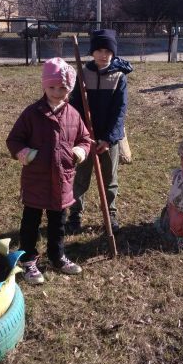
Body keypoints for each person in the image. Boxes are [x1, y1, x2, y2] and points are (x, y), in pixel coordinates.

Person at [6, 57, 91, 285]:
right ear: (44, 86)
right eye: (52, 87)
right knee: (31, 221)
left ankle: (57, 255)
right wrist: (26, 154)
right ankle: (28, 259)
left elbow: (85, 139)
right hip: (36, 178)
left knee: (58, 222)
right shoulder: (32, 113)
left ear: (69, 88)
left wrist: (80, 152)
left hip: (63, 179)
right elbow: (14, 140)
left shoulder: (73, 114)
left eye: (62, 88)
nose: (56, 92)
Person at [67, 29, 133, 236]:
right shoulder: (83, 74)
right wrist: (83, 136)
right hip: (85, 138)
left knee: (109, 178)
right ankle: (75, 214)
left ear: (113, 53)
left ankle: (110, 214)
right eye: (99, 50)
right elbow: (75, 106)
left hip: (109, 139)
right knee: (81, 177)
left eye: (108, 51)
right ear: (92, 52)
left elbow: (119, 112)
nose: (103, 55)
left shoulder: (118, 77)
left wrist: (108, 138)